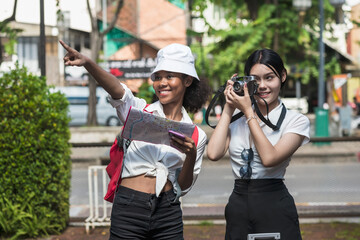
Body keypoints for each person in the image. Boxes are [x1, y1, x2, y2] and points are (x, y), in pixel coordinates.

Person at [60, 40, 210, 239]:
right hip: (129, 208)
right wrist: (88, 63)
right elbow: (117, 90)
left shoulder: (197, 135)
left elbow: (182, 187)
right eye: (157, 77)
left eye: (170, 76)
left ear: (187, 81)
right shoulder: (140, 111)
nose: (162, 82)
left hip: (168, 211)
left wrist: (190, 155)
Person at [207, 48, 310, 240]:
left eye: (269, 78)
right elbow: (213, 154)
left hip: (274, 204)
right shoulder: (236, 119)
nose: (262, 86)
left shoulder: (296, 121)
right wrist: (229, 108)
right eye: (256, 79)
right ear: (246, 83)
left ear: (283, 76)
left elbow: (270, 158)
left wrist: (248, 113)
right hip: (238, 205)